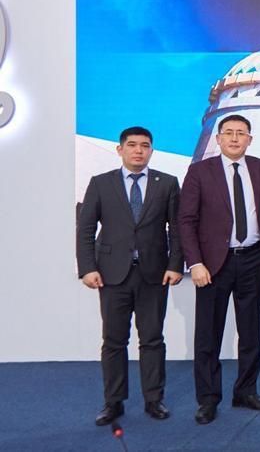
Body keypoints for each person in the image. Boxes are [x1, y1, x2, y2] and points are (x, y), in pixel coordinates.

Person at [178, 114, 260, 425]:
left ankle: (246, 391)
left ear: (250, 139)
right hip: (213, 264)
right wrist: (195, 263)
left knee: (250, 330)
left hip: (253, 259)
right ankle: (208, 399)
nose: (235, 138)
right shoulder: (200, 171)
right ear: (218, 138)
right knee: (208, 334)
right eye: (229, 133)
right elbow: (186, 220)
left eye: (241, 133)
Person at [76, 126, 183, 425]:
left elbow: (176, 229)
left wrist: (176, 264)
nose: (138, 150)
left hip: (154, 274)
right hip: (111, 275)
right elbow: (86, 230)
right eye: (132, 145)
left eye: (145, 145)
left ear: (151, 150)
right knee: (113, 340)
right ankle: (113, 402)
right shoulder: (101, 183)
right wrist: (87, 268)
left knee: (152, 339)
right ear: (120, 149)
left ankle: (154, 400)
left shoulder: (167, 183)